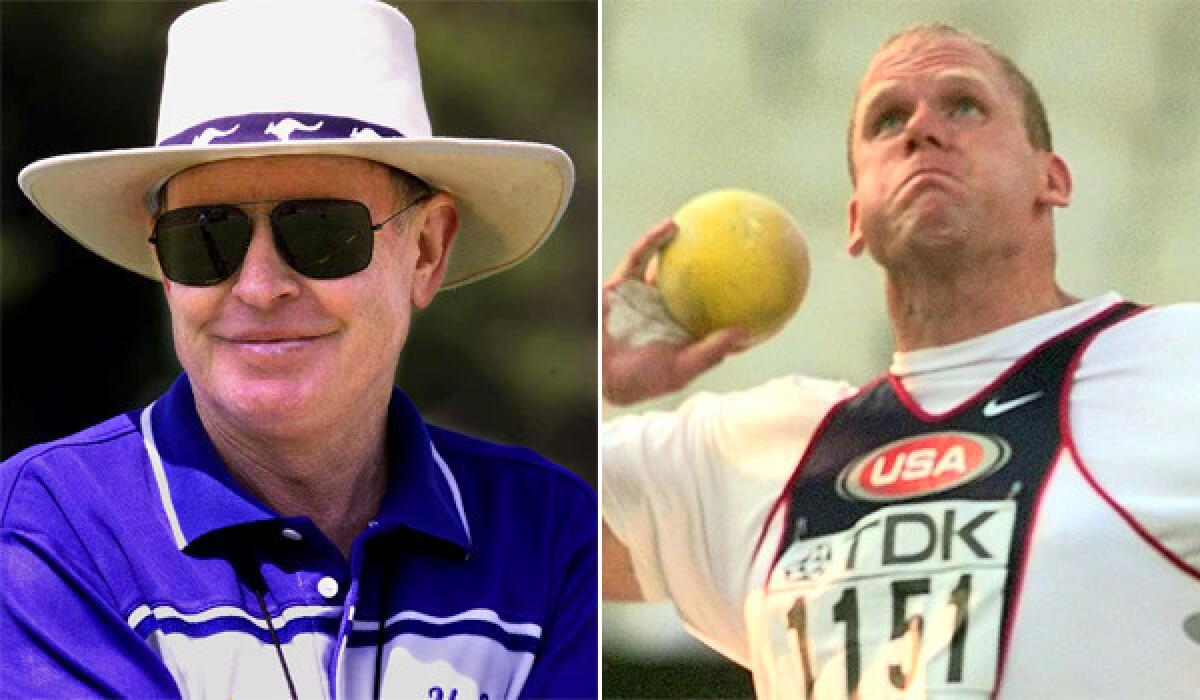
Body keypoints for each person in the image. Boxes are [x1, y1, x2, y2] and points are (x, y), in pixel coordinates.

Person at [0, 1, 596, 698]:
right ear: (162, 263)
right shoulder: (44, 525)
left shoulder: (552, 531)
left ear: (427, 249)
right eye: (205, 237)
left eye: (320, 231)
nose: (257, 286)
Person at [602, 22, 1200, 699]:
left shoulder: (1177, 364)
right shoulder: (756, 455)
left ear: (1052, 178)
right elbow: (491, 531)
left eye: (964, 106)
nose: (922, 130)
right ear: (856, 218)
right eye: (888, 120)